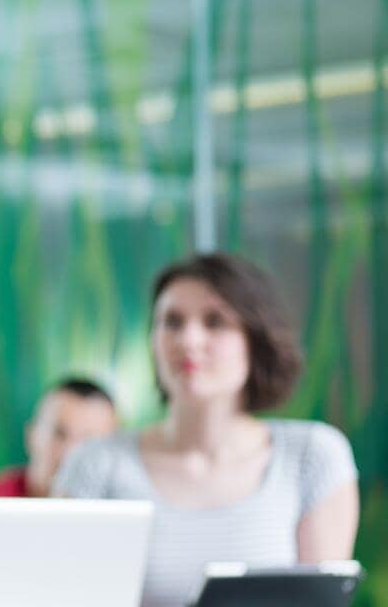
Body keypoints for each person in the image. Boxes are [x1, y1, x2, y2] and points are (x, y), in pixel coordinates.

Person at [55, 252, 359, 607]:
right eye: (172, 322)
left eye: (215, 322)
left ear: (255, 341)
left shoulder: (312, 456)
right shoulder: (94, 466)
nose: (189, 340)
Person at [0, 376, 119, 526]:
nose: (70, 453)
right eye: (58, 434)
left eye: (88, 442)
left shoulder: (119, 520)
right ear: (31, 436)